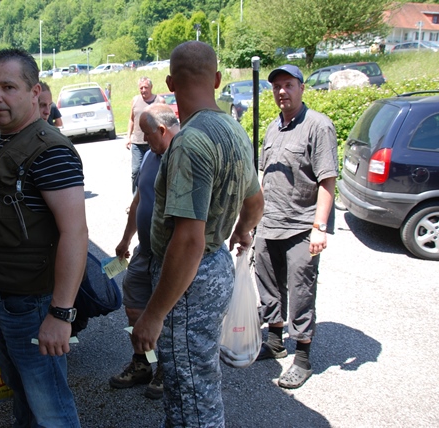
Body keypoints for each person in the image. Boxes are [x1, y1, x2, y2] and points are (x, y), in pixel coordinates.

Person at [131, 41, 264, 427]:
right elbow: (256, 202)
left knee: (191, 392)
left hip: (188, 281)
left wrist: (153, 314)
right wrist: (241, 231)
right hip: (214, 267)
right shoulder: (234, 130)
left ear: (170, 84)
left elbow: (189, 240)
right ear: (217, 79)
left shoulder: (189, 142)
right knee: (196, 380)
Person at [0, 48, 88, 427]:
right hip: (4, 300)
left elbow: (75, 233)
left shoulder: (50, 151)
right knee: (25, 401)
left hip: (34, 307)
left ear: (35, 93)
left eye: (8, 87)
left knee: (52, 411)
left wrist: (60, 314)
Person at [254, 64, 338, 389]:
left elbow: (327, 180)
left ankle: (302, 358)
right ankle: (275, 341)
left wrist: (320, 227)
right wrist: (254, 220)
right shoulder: (272, 128)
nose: (282, 91)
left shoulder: (318, 126)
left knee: (301, 292)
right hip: (269, 222)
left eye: (288, 85)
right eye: (277, 86)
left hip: (302, 226)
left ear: (302, 88)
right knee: (269, 285)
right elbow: (265, 177)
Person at [109, 103, 179, 400]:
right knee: (134, 308)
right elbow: (139, 200)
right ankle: (143, 362)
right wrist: (126, 239)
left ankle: (166, 367)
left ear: (162, 130)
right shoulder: (151, 155)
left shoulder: (182, 158)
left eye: (147, 135)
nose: (142, 140)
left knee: (167, 315)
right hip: (144, 251)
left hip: (170, 256)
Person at [126, 76, 164, 193]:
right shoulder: (135, 100)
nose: (143, 90)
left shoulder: (159, 101)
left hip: (153, 143)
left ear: (151, 87)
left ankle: (154, 197)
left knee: (155, 172)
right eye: (141, 88)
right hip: (137, 143)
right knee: (136, 171)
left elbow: (165, 122)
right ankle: (136, 199)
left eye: (146, 87)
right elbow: (131, 119)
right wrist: (128, 137)